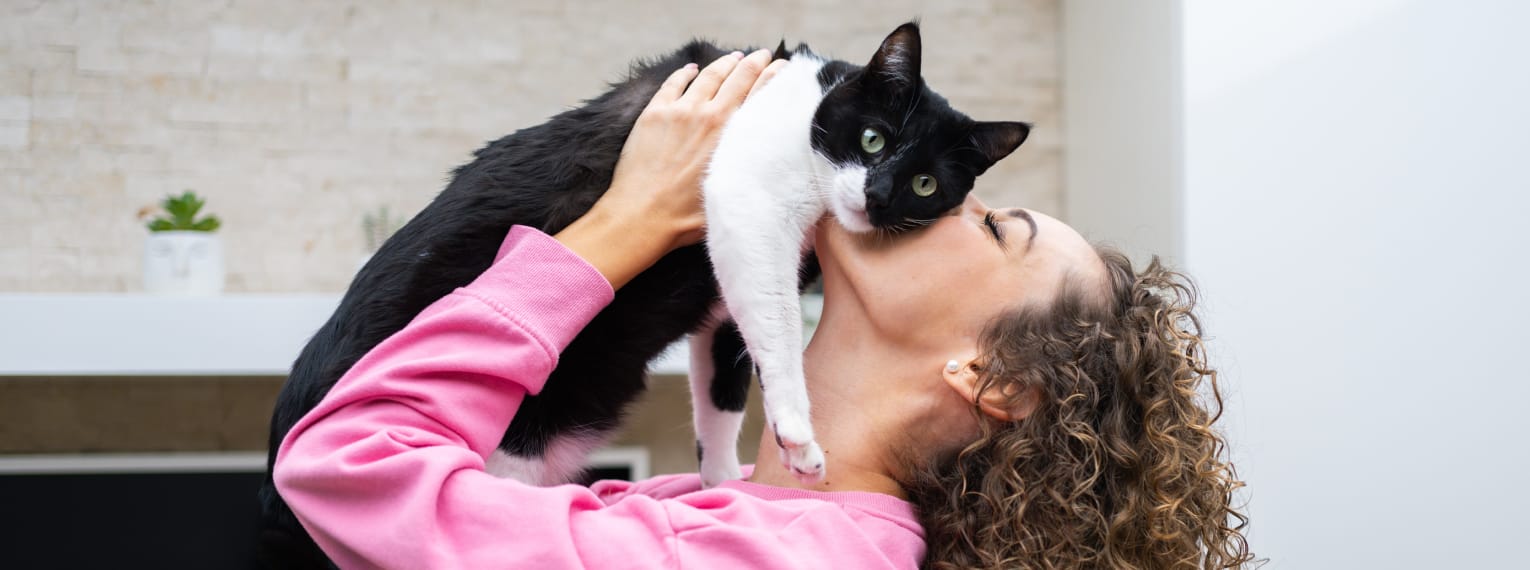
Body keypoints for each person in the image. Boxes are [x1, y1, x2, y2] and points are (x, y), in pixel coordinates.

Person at [274, 50, 1252, 569]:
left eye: (996, 228)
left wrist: (621, 227)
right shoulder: (759, 521)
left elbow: (339, 469)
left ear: (991, 379)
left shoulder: (782, 559)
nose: (953, 203)